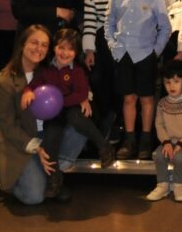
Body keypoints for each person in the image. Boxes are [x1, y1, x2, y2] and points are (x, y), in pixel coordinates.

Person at [0, 26, 86, 204]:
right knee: (34, 197)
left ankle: (54, 175)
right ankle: (5, 173)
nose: (38, 49)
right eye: (34, 42)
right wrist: (37, 148)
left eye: (44, 45)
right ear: (22, 44)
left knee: (81, 127)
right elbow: (8, 128)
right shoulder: (3, 82)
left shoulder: (49, 70)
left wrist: (85, 98)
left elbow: (74, 87)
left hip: (49, 133)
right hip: (23, 141)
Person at [21, 28, 114, 196]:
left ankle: (103, 146)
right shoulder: (45, 70)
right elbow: (33, 86)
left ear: (76, 52)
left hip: (70, 108)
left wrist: (60, 102)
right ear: (54, 48)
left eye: (70, 49)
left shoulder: (77, 70)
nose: (65, 53)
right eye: (61, 47)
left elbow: (81, 93)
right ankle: (54, 178)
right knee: (51, 138)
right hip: (53, 114)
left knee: (77, 118)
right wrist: (28, 91)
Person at [105, 0, 173, 160]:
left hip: (145, 54)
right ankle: (129, 140)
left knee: (146, 98)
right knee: (128, 98)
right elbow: (108, 24)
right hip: (123, 53)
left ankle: (146, 139)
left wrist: (155, 51)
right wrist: (113, 46)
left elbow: (165, 28)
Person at [81, 0, 126, 132]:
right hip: (102, 41)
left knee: (121, 81)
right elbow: (90, 23)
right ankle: (106, 119)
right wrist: (89, 50)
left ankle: (121, 122)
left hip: (124, 40)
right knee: (101, 81)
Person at [147, 60, 182, 203]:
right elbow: (159, 125)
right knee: (158, 155)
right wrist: (166, 142)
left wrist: (180, 145)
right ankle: (162, 185)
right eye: (168, 82)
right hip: (170, 142)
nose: (171, 86)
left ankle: (178, 186)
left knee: (179, 157)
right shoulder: (162, 103)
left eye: (176, 81)